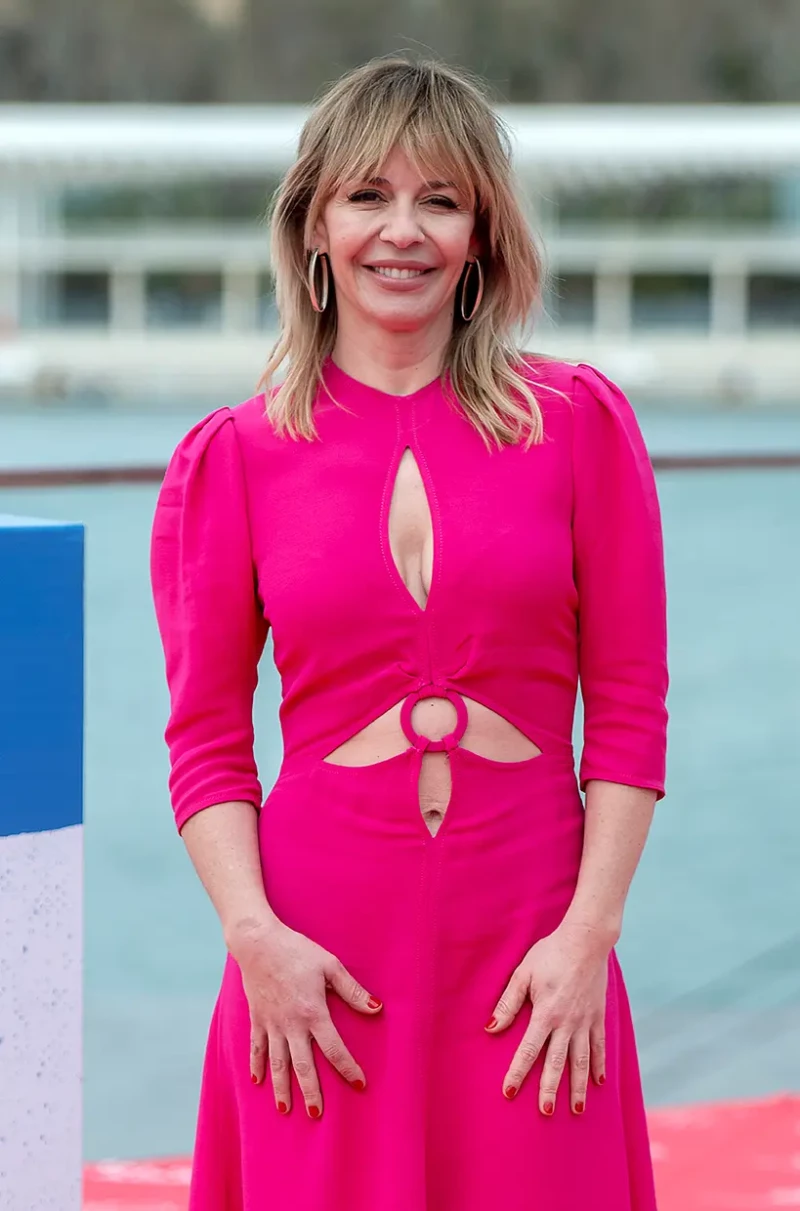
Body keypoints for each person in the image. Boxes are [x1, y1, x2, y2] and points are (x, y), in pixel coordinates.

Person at [150, 53, 669, 1211]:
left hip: (536, 961)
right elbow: (206, 742)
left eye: (439, 199)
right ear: (315, 224)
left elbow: (628, 711)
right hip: (311, 967)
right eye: (367, 196)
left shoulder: (579, 426)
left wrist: (588, 937)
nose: (402, 231)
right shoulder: (228, 460)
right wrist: (255, 942)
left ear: (481, 234)